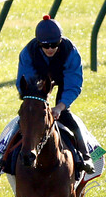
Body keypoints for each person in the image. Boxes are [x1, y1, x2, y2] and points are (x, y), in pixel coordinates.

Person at [16, 15, 95, 174]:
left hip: (63, 80)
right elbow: (25, 82)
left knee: (70, 119)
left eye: (55, 44)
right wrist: (36, 102)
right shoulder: (28, 52)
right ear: (38, 44)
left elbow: (74, 82)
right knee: (24, 120)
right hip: (36, 88)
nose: (50, 48)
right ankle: (1, 157)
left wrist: (60, 107)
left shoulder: (70, 51)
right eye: (45, 45)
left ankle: (86, 156)